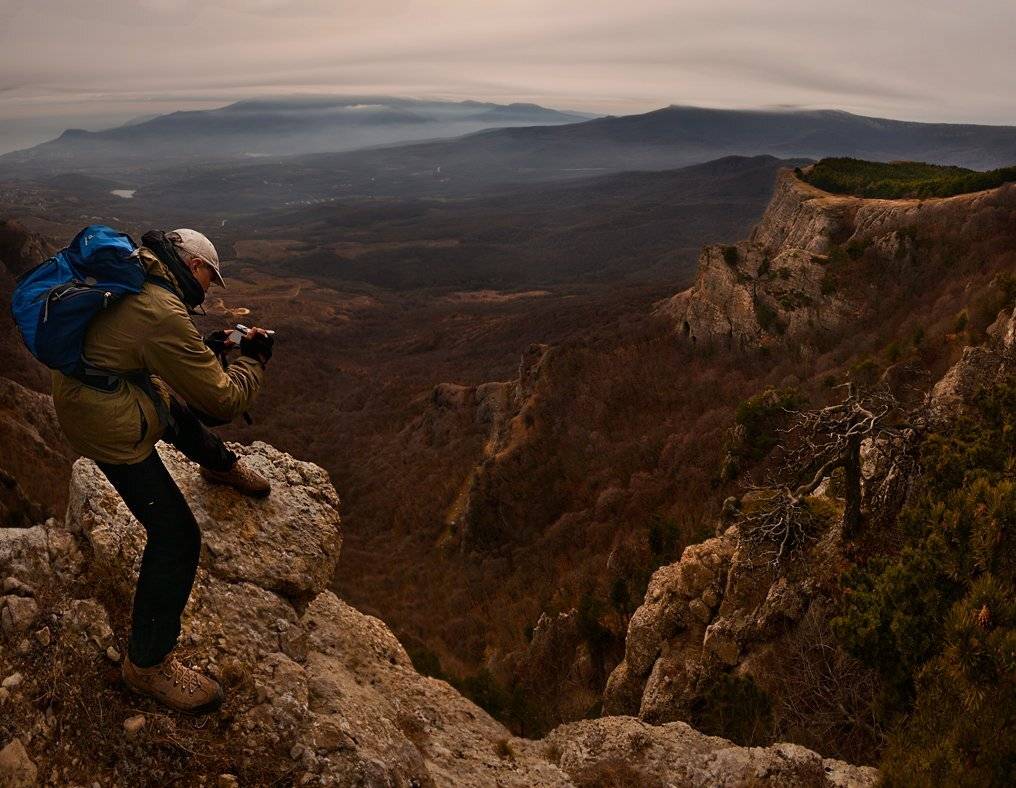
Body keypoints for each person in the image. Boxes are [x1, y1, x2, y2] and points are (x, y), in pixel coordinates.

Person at [50, 228, 275, 714]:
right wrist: (253, 362)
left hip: (96, 387)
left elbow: (147, 348)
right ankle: (147, 665)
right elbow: (223, 400)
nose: (208, 288)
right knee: (177, 537)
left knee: (169, 404)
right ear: (192, 264)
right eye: (209, 278)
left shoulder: (140, 275)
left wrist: (205, 350)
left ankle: (221, 465)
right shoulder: (160, 309)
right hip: (102, 418)